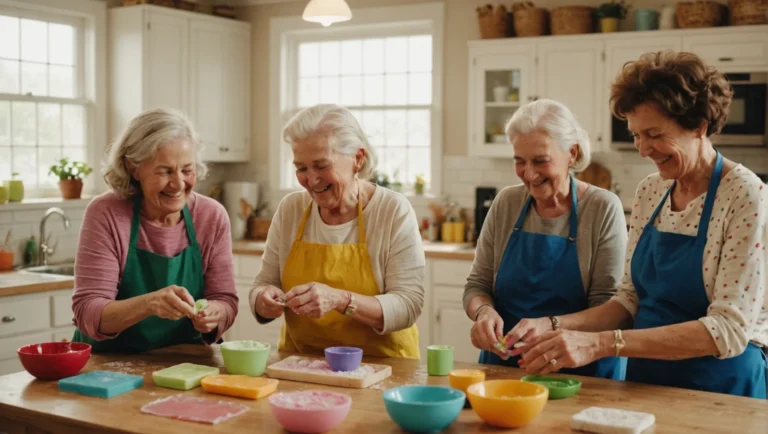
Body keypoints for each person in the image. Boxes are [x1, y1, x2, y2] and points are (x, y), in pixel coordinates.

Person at [507, 51, 767, 399]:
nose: (643, 149)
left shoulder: (746, 196)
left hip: (721, 387)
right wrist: (553, 325)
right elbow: (629, 300)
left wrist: (601, 344)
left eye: (654, 134)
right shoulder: (651, 190)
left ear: (699, 125)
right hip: (646, 380)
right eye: (635, 135)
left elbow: (727, 330)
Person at [464, 99, 627, 380]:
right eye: (519, 161)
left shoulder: (602, 208)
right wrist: (483, 313)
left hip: (580, 374)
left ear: (572, 154)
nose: (529, 174)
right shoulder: (506, 202)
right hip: (505, 370)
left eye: (540, 161)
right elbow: (477, 285)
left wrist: (551, 326)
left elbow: (610, 309)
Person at [249, 104, 424, 358]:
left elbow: (408, 305)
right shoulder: (291, 209)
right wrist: (263, 300)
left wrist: (341, 300)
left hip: (381, 367)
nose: (312, 179)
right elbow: (263, 283)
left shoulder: (392, 210)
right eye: (301, 168)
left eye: (321, 165)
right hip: (301, 363)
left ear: (357, 158)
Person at [71, 108, 238, 353]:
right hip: (108, 366)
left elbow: (225, 300)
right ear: (133, 168)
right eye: (165, 171)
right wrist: (148, 304)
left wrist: (215, 314)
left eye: (187, 169)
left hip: (185, 363)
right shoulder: (107, 213)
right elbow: (88, 311)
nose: (179, 183)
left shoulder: (211, 216)